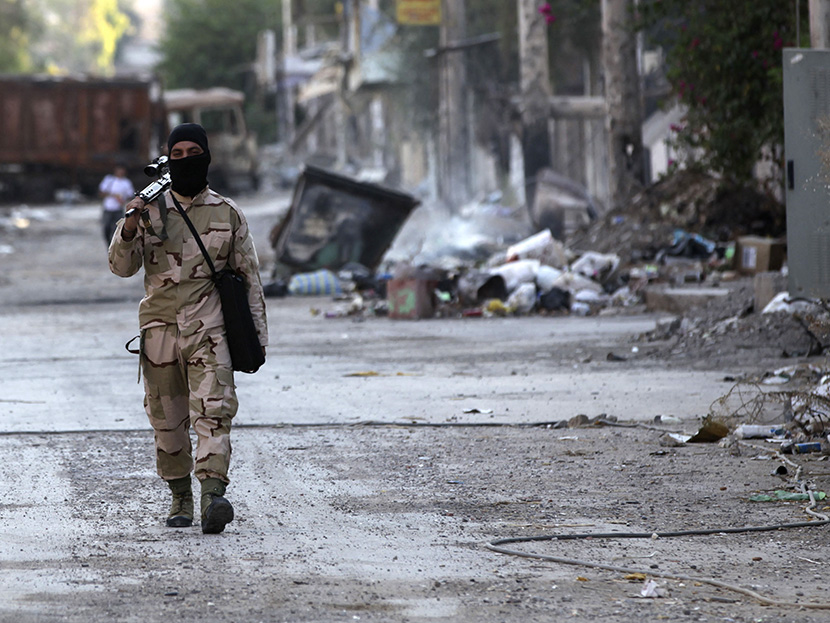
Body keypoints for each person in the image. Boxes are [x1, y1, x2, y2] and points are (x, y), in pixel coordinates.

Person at [108, 123, 268, 534]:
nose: (185, 161)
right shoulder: (148, 209)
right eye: (176, 154)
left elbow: (249, 280)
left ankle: (213, 495)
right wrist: (130, 225)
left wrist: (256, 342)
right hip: (159, 330)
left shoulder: (227, 213)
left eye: (192, 153)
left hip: (209, 330)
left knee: (214, 411)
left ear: (206, 156)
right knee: (167, 420)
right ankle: (179, 495)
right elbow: (121, 267)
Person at [99, 162, 135, 245]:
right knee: (106, 228)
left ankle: (113, 246)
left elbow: (130, 195)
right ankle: (108, 244)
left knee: (116, 229)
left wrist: (123, 199)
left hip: (118, 209)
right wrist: (114, 195)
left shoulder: (126, 182)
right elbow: (101, 192)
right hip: (108, 208)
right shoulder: (109, 179)